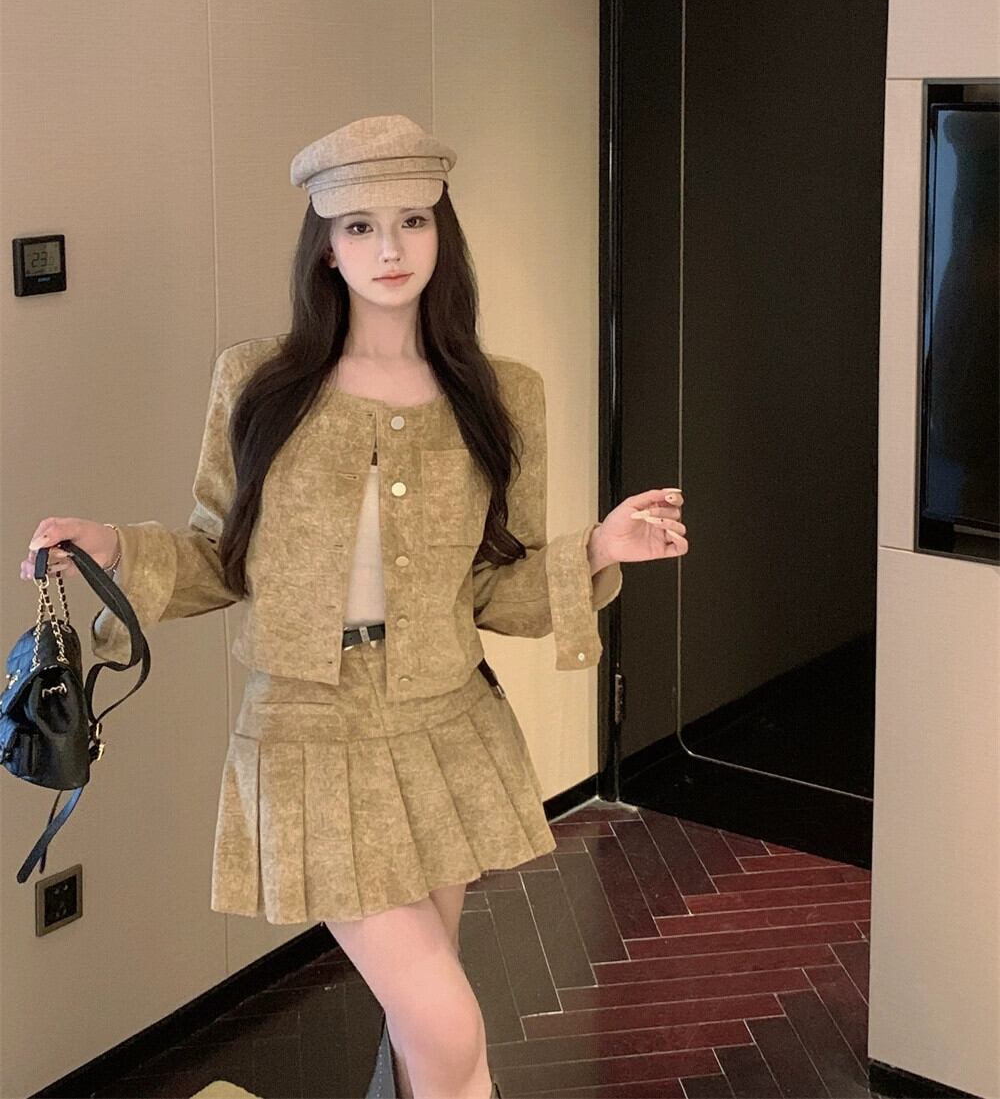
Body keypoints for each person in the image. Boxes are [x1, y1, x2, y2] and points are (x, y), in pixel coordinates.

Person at [20, 114, 688, 1099]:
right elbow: (218, 558)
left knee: (426, 1032)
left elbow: (495, 587)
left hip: (445, 727)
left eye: (413, 220)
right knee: (447, 1020)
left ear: (441, 233)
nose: (389, 247)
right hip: (308, 733)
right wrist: (116, 546)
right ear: (326, 246)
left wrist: (595, 548)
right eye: (361, 225)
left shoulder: (502, 395)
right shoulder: (258, 385)